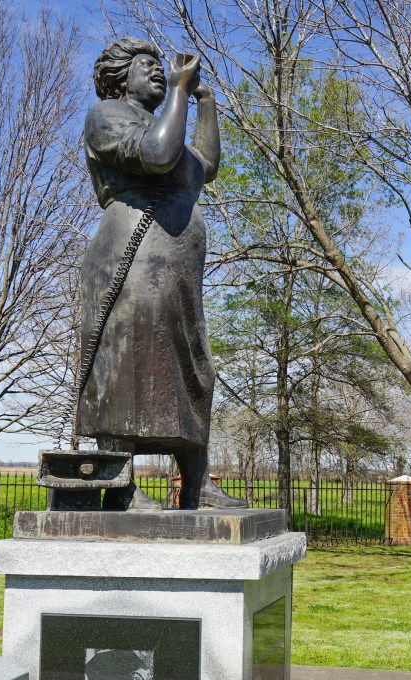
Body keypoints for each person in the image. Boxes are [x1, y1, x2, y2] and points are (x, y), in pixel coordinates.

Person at [77, 37, 243, 510]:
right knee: (130, 360)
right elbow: (157, 154)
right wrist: (177, 90)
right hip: (134, 253)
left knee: (192, 363)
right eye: (145, 64)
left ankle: (196, 484)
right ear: (119, 77)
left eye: (158, 65)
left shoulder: (167, 118)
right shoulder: (107, 115)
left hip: (173, 264)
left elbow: (204, 166)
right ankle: (120, 489)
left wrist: (203, 101)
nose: (155, 69)